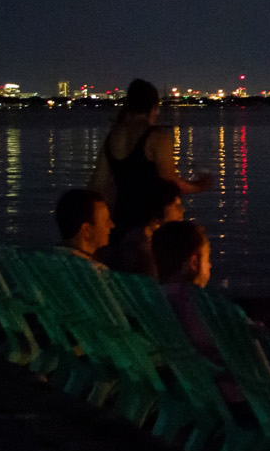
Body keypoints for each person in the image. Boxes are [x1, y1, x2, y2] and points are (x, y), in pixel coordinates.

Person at [91, 79, 213, 243]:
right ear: (154, 108)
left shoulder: (112, 137)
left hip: (119, 222)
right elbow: (171, 183)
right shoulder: (158, 138)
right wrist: (200, 185)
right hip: (147, 227)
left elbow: (97, 185)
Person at [152, 220, 248, 415]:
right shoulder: (198, 306)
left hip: (189, 387)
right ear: (194, 262)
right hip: (235, 397)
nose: (210, 266)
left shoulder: (154, 298)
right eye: (207, 259)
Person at [102, 193, 183, 276]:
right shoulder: (139, 248)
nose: (182, 210)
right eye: (177, 206)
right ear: (163, 208)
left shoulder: (148, 242)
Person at [55, 189, 113, 261]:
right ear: (87, 231)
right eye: (106, 222)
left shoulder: (45, 261)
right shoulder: (89, 270)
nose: (112, 225)